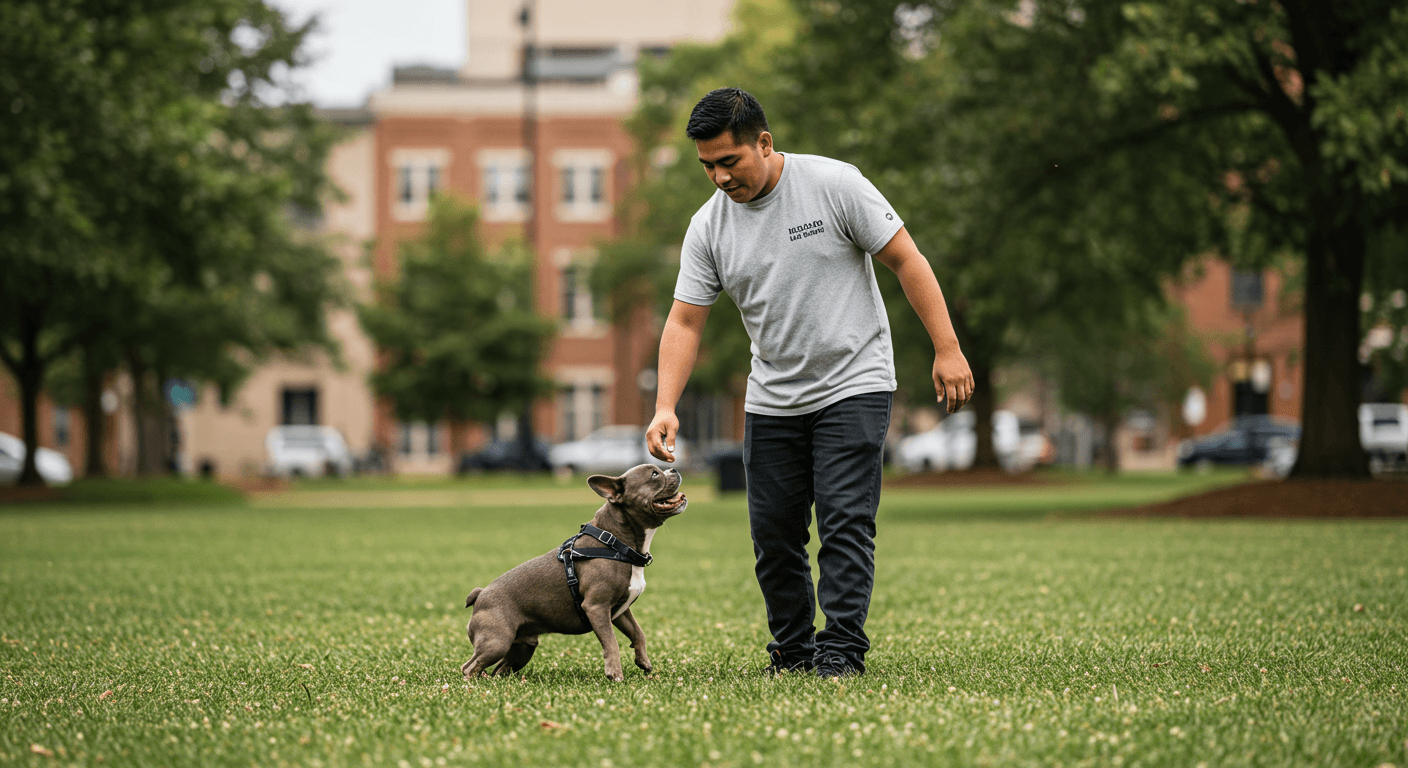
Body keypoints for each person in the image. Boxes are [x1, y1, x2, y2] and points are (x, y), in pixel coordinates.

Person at [645, 87, 974, 679]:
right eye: (707, 166)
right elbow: (685, 319)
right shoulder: (708, 227)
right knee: (774, 538)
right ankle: (794, 654)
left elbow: (907, 259)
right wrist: (666, 404)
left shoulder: (835, 184)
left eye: (729, 161)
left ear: (764, 143)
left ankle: (842, 653)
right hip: (773, 398)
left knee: (845, 519)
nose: (719, 177)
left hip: (855, 380)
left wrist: (946, 347)